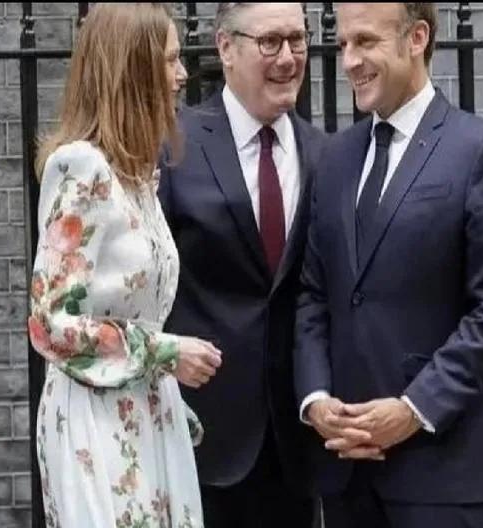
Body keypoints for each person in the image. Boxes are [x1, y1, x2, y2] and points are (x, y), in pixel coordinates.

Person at [293, 3, 483, 527]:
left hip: (437, 471)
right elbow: (314, 293)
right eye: (344, 44)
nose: (349, 61)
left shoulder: (480, 151)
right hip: (347, 466)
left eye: (366, 42)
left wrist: (413, 409)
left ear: (417, 38)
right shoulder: (334, 158)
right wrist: (317, 399)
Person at [27, 4, 223, 527]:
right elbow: (49, 324)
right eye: (171, 61)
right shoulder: (82, 167)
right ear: (134, 69)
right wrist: (165, 351)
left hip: (148, 414)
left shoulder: (136, 179)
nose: (183, 75)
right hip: (94, 422)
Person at [157, 3, 325, 527]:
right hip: (200, 436)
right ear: (226, 48)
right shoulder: (173, 145)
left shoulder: (326, 154)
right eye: (270, 42)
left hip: (299, 442)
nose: (288, 58)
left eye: (297, 40)